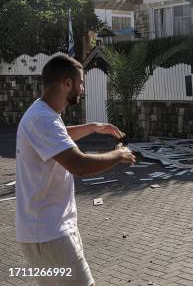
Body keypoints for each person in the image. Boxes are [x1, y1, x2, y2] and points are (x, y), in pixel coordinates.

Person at [15, 54, 136, 286]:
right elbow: (80, 165)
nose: (83, 88)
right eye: (80, 82)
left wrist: (95, 127)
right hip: (51, 235)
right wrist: (118, 154)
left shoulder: (42, 114)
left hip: (41, 233)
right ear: (67, 83)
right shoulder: (43, 120)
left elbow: (60, 135)